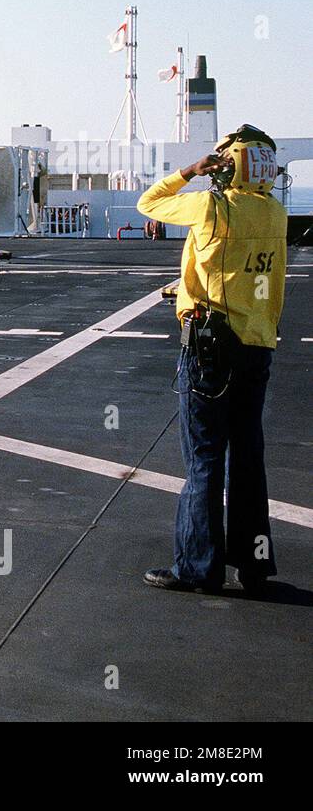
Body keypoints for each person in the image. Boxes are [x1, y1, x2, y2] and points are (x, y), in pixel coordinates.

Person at [136, 125, 287, 595]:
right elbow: (273, 285)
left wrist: (190, 171)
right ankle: (254, 564)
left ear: (230, 164)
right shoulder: (276, 212)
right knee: (248, 456)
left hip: (210, 347)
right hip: (257, 344)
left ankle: (199, 567)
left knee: (203, 458)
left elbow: (149, 203)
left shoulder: (211, 205)